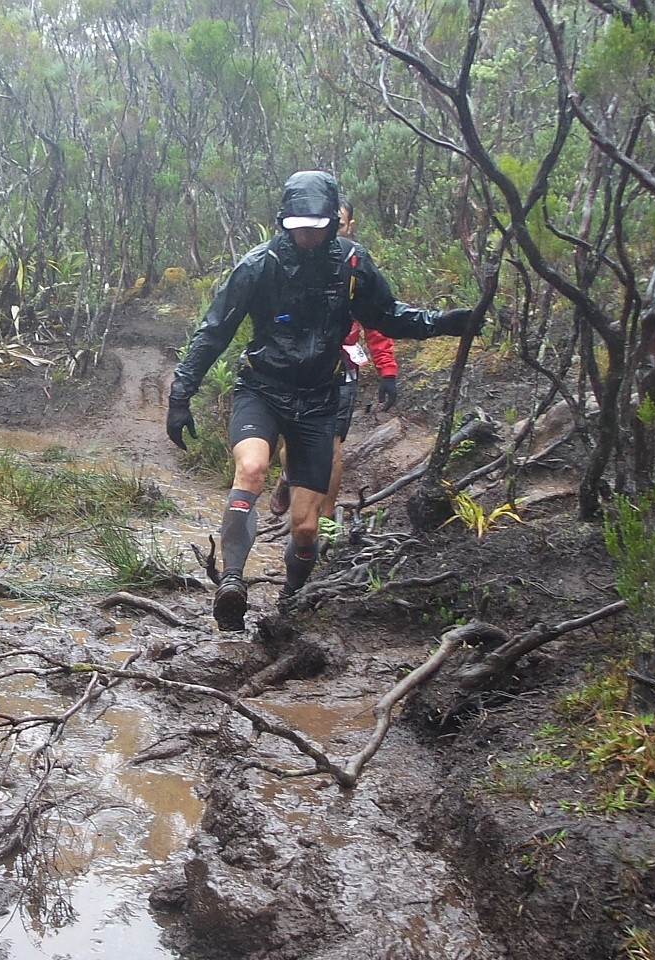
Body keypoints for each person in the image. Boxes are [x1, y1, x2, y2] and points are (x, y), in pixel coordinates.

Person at [166, 170, 479, 631]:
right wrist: (180, 394)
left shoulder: (352, 265)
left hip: (318, 400)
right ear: (284, 222)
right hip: (262, 389)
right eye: (297, 226)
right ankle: (232, 581)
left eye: (316, 224)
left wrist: (443, 323)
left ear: (334, 221)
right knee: (252, 469)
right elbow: (215, 330)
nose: (307, 235)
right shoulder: (259, 265)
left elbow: (387, 317)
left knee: (307, 529)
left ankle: (292, 600)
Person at [269, 197, 398, 519]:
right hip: (297, 368)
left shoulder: (356, 264)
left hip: (342, 367)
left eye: (336, 225)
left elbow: (379, 319)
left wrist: (388, 371)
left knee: (332, 445)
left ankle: (325, 523)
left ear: (348, 226)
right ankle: (288, 475)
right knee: (292, 447)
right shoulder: (291, 260)